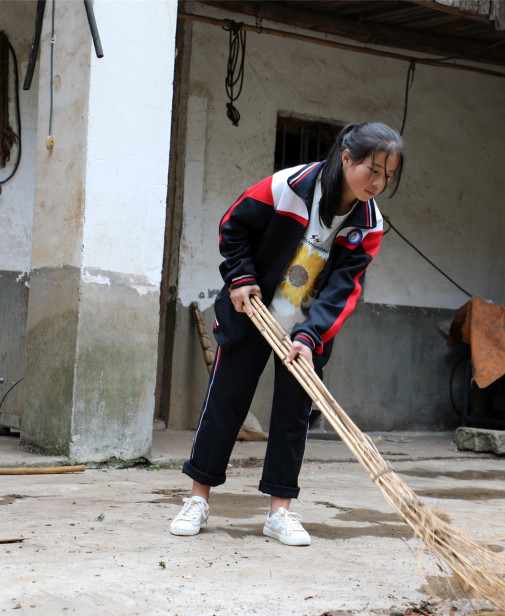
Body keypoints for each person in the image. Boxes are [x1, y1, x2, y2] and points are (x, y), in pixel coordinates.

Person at [170, 122, 405, 546]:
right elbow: (233, 225)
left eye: (388, 174)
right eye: (373, 169)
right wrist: (240, 277)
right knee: (226, 403)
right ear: (346, 157)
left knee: (293, 416)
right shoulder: (289, 187)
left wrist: (311, 336)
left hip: (304, 331)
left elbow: (344, 288)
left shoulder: (370, 225)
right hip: (252, 312)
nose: (379, 182)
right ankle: (197, 499)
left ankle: (280, 512)